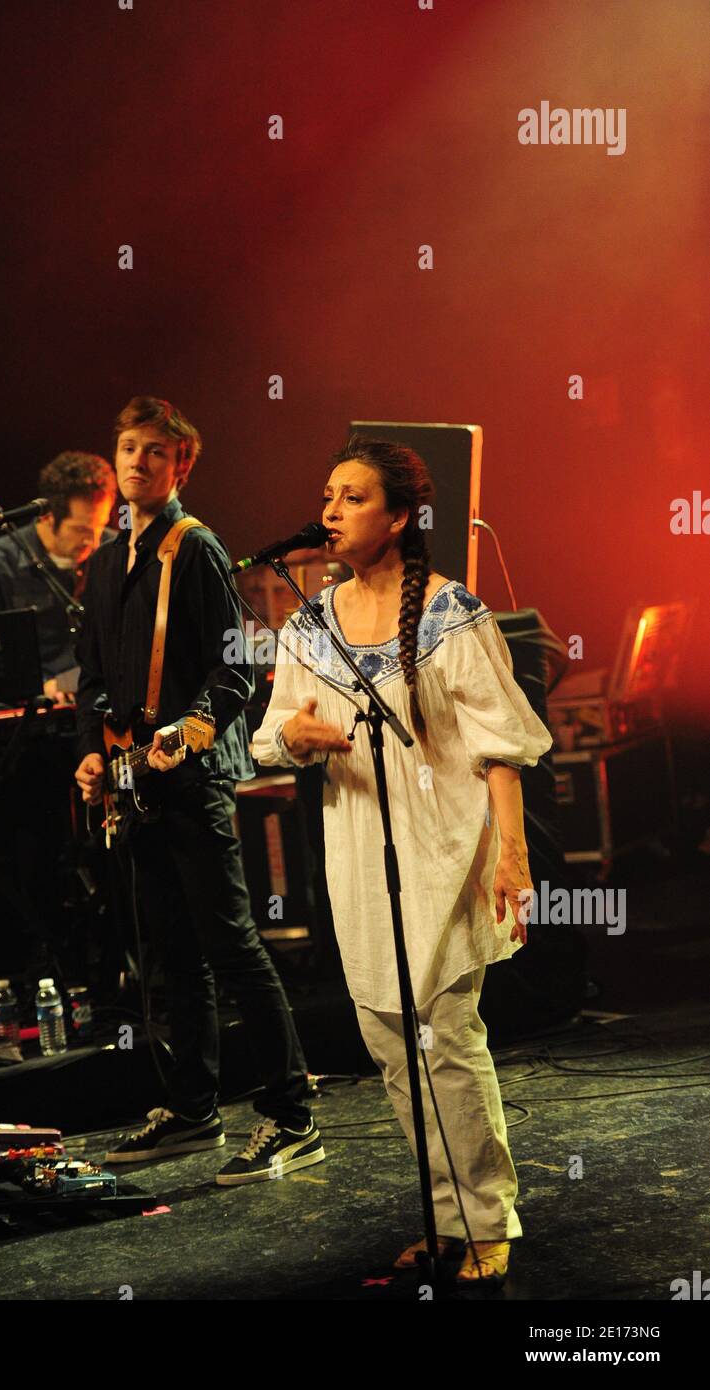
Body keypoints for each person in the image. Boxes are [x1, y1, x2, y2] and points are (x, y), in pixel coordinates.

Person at [250, 434, 552, 1283]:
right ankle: (443, 1218)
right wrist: (298, 738)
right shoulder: (308, 623)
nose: (331, 512)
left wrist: (511, 854)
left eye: (351, 497)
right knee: (388, 1041)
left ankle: (487, 1221)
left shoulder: (452, 612)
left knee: (444, 1036)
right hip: (358, 844)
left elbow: (501, 747)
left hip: (447, 847)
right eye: (328, 496)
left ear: (397, 517)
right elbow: (271, 735)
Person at [73, 395, 323, 1185]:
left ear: (181, 465)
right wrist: (90, 752)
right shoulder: (107, 563)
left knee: (230, 947)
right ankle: (191, 1110)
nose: (137, 462)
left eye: (154, 451)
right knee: (169, 956)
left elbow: (236, 670)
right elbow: (90, 680)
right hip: (130, 782)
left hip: (192, 778)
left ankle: (292, 1116)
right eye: (126, 448)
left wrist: (187, 730)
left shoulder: (196, 548)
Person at [0, 452, 116, 696]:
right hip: (32, 712)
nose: (93, 540)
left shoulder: (115, 550)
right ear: (47, 515)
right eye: (80, 529)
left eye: (101, 526)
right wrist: (38, 687)